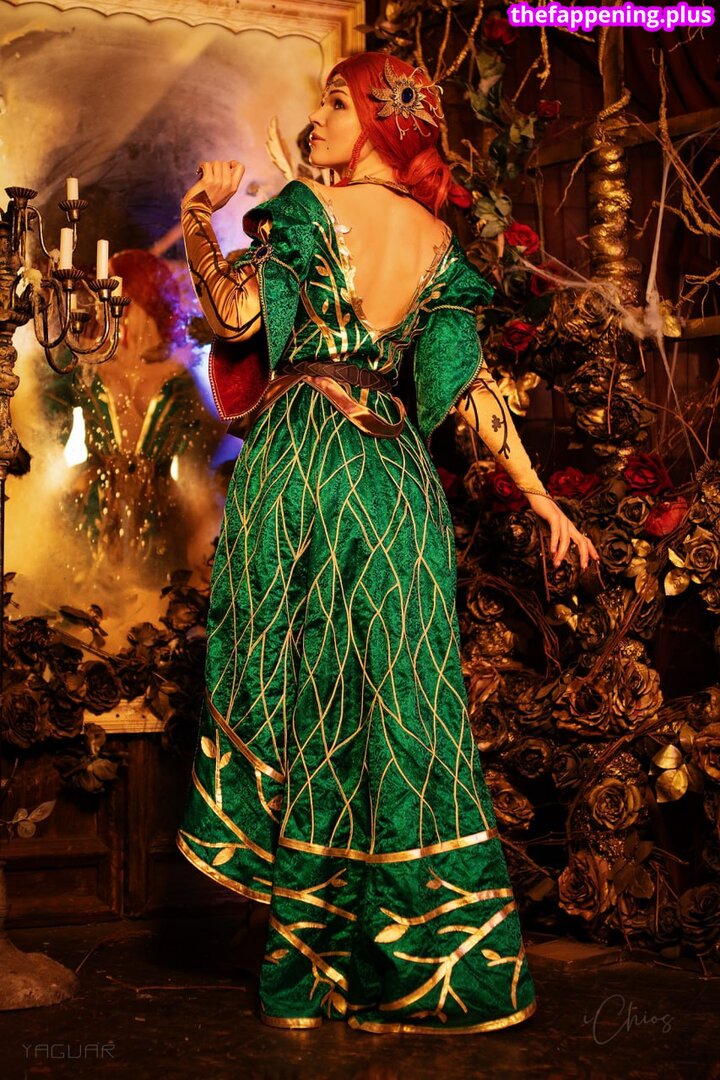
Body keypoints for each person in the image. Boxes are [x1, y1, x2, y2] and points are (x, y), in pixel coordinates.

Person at [175, 52, 600, 1034]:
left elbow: (233, 313)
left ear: (375, 123)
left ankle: (310, 962)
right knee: (403, 704)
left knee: (309, 697)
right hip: (396, 481)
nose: (316, 121)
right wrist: (543, 501)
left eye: (335, 103)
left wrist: (201, 214)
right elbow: (468, 391)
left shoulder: (303, 213)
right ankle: (424, 964)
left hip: (304, 468)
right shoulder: (438, 242)